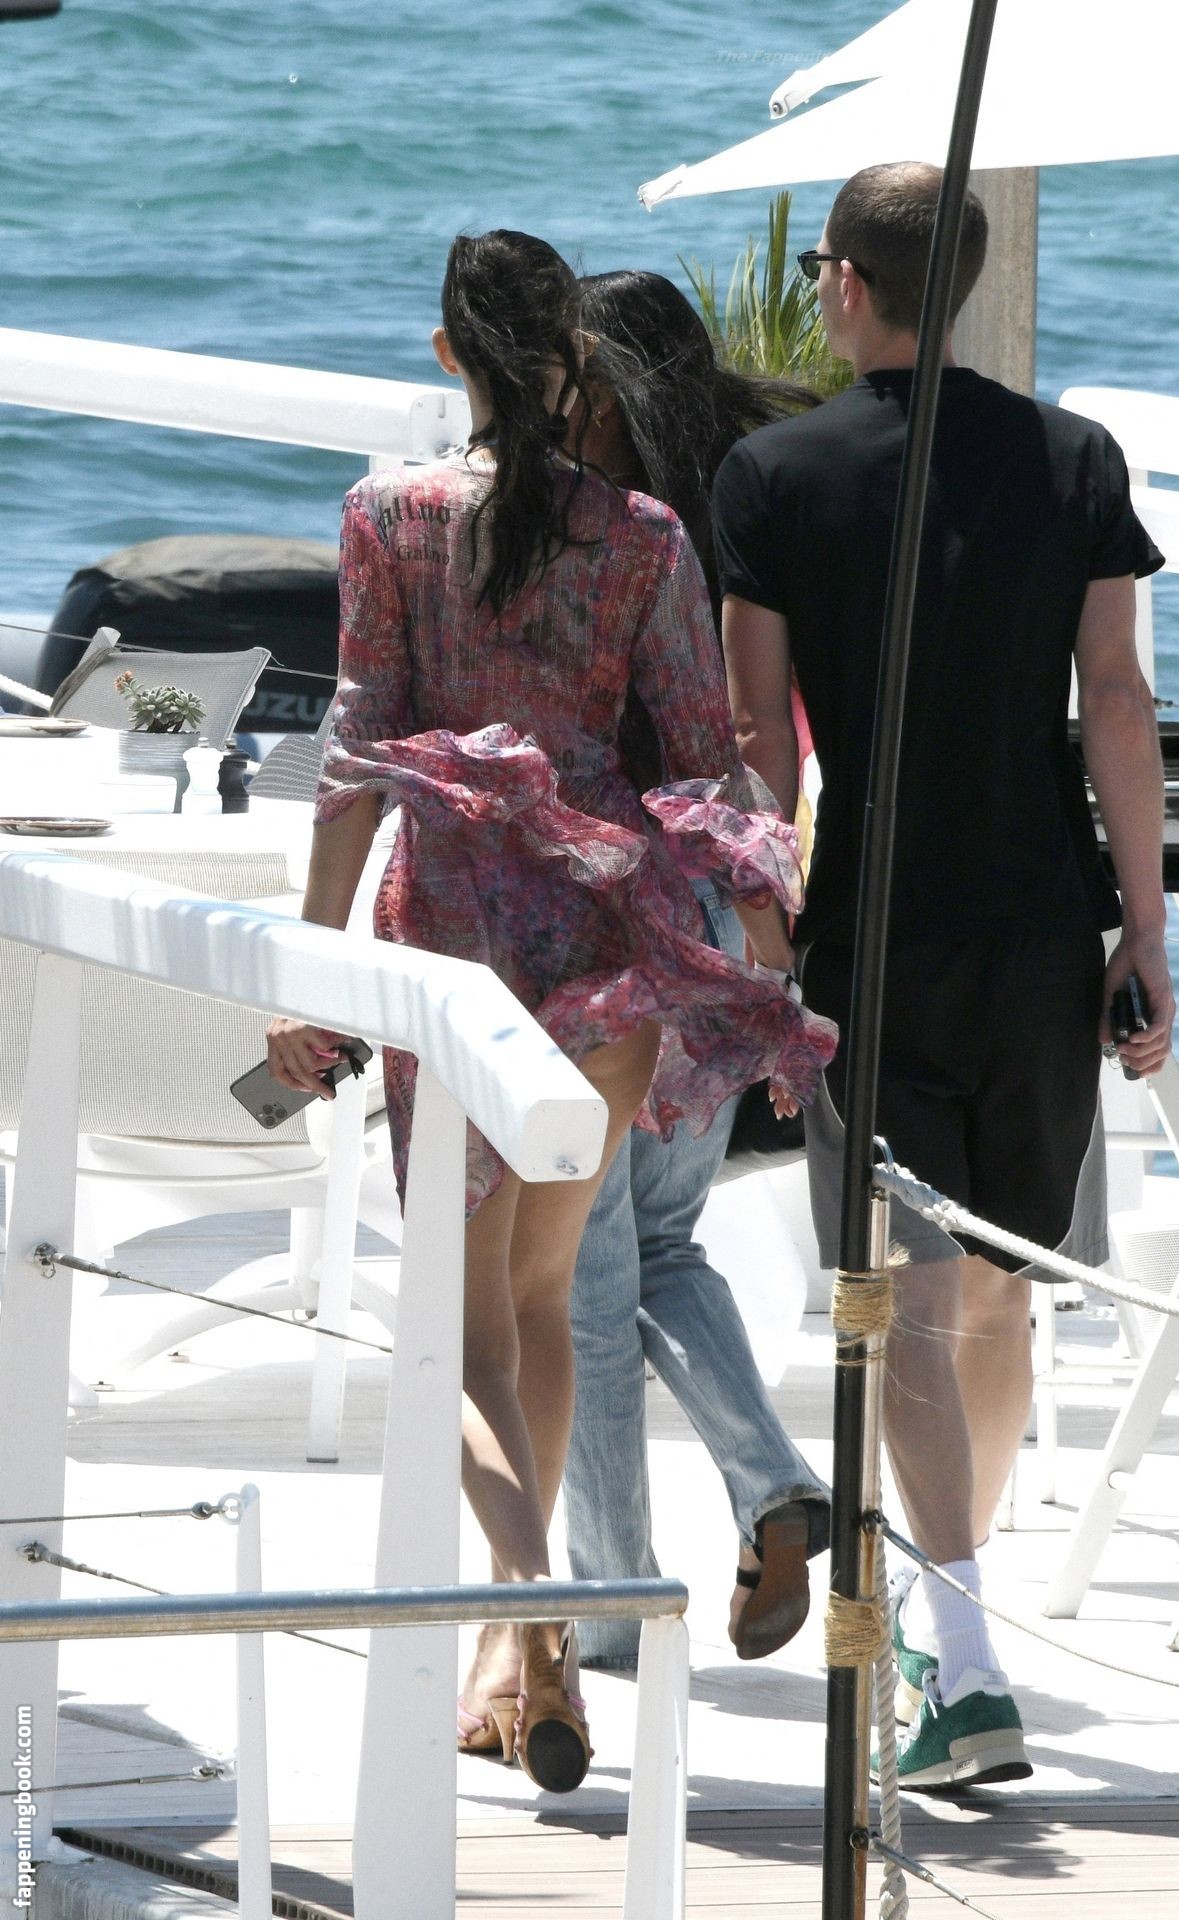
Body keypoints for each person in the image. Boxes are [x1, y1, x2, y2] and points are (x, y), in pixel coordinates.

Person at [265, 230, 836, 1794]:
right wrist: (767, 959)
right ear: (575, 361)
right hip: (605, 950)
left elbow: (356, 747)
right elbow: (706, 764)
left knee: (461, 1330)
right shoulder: (644, 535)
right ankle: (538, 1627)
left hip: (448, 947)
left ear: (450, 354)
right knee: (540, 1302)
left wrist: (309, 966)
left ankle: (532, 1615)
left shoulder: (389, 518)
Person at [713, 164, 1174, 1789]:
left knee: (905, 1297)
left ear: (843, 282)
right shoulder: (1073, 457)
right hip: (1043, 928)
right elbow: (1116, 700)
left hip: (873, 939)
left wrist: (768, 952)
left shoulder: (773, 473)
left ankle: (960, 1657)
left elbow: (759, 741)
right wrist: (1142, 929)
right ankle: (957, 1626)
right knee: (995, 1287)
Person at [563, 271, 831, 1671]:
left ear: (602, 389)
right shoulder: (756, 500)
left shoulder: (608, 536)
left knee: (582, 1280)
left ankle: (607, 1611)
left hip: (607, 933)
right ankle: (771, 1483)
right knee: (659, 1248)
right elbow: (764, 741)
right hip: (722, 912)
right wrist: (768, 934)